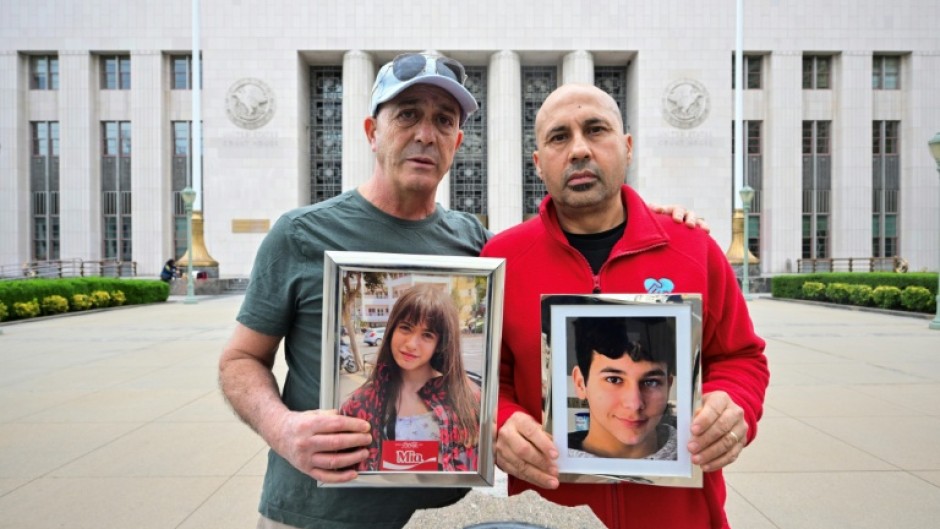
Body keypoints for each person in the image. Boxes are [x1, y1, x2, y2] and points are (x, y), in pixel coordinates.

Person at [219, 52, 705, 529]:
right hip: (316, 515)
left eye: (443, 120)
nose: (425, 134)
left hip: (443, 513)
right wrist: (282, 430)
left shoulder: (476, 245)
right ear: (372, 132)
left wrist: (644, 217)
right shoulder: (300, 235)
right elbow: (240, 361)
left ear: (457, 141)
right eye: (407, 115)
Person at [480, 84, 769, 528]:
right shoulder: (502, 261)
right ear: (538, 163)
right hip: (550, 515)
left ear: (627, 147)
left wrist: (734, 405)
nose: (579, 149)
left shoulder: (693, 249)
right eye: (559, 137)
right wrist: (500, 422)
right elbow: (483, 376)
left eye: (596, 130)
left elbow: (740, 356)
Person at [340, 284, 480, 471]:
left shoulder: (468, 398)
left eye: (427, 335)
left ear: (440, 344)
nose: (412, 344)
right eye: (405, 328)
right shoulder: (362, 401)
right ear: (391, 330)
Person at [567, 317, 677, 461]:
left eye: (651, 382)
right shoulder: (548, 460)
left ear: (668, 386)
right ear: (580, 383)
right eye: (614, 380)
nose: (634, 404)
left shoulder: (697, 456)